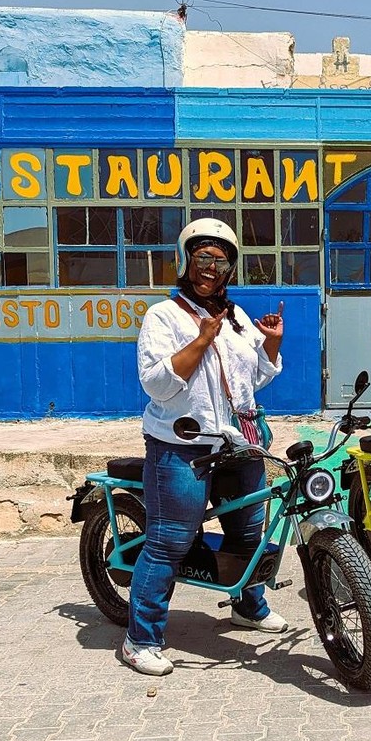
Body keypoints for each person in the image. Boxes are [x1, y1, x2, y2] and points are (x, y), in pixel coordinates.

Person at [122, 218, 287, 676]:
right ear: (186, 261)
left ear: (231, 268)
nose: (211, 268)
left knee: (248, 531)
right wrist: (200, 340)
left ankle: (248, 606)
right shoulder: (164, 316)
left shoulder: (236, 319)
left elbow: (251, 381)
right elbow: (155, 383)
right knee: (169, 542)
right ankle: (141, 639)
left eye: (221, 260)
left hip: (238, 443)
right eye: (203, 258)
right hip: (181, 445)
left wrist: (270, 347)